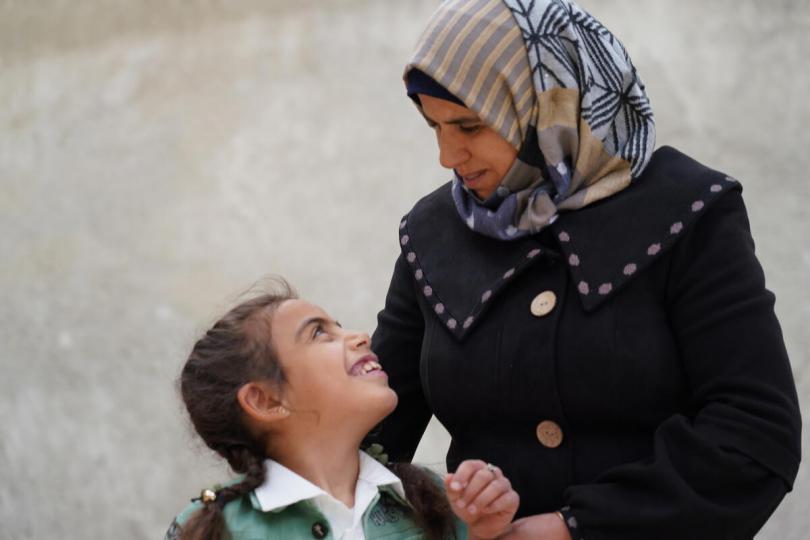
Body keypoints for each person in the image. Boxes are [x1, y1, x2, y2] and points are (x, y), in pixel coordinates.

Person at [368, 1, 802, 539]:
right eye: (433, 126)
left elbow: (753, 432)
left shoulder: (688, 211)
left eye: (470, 125)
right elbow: (369, 438)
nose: (447, 154)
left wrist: (570, 530)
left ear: (548, 105)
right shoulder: (432, 234)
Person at [165, 280, 521, 540]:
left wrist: (483, 534)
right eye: (319, 334)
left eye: (340, 325)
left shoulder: (437, 502)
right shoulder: (210, 529)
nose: (360, 336)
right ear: (267, 400)